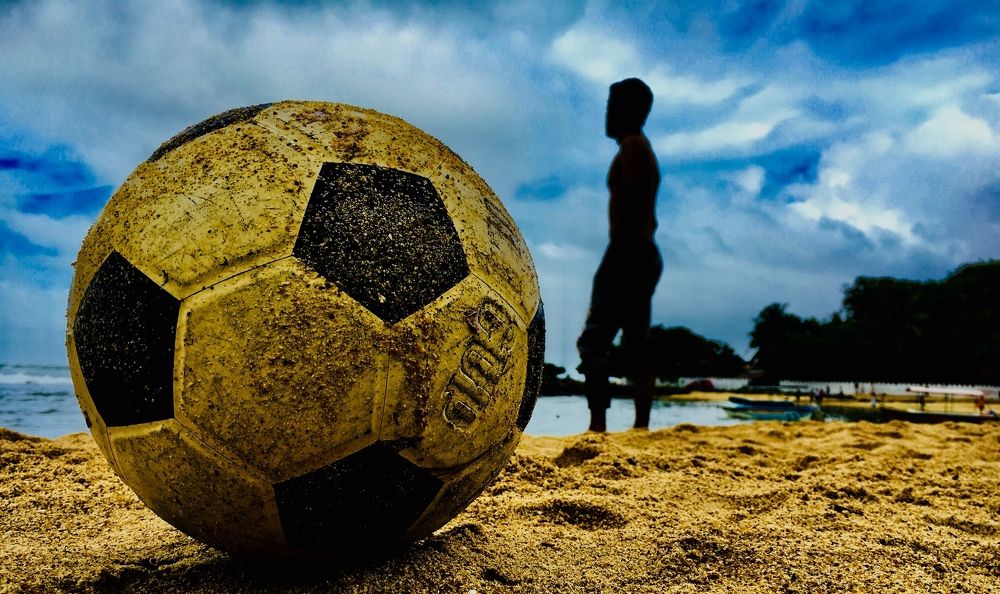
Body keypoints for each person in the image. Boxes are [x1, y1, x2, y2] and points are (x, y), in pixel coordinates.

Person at [577, 78, 662, 432]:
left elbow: (629, 208)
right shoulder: (640, 147)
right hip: (641, 253)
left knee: (594, 341)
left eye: (613, 106)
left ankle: (598, 426)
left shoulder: (632, 147)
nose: (607, 114)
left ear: (632, 111)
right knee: (635, 344)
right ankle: (641, 427)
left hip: (628, 252)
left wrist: (613, 262)